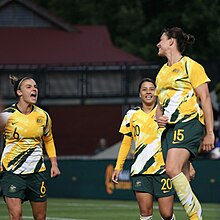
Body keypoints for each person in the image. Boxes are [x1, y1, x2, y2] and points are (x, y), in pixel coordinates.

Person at [155, 27, 214, 220]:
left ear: (171, 42)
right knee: (184, 177)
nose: (158, 44)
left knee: (172, 169)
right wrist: (158, 117)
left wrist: (209, 132)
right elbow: (159, 104)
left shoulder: (191, 66)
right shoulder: (162, 72)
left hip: (188, 122)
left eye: (161, 40)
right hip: (169, 129)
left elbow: (205, 98)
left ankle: (196, 215)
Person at [112, 78, 176, 220]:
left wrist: (187, 163)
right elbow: (126, 143)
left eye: (152, 89)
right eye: (144, 89)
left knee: (167, 214)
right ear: (139, 94)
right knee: (145, 213)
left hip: (164, 169)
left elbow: (176, 141)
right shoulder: (131, 115)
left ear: (157, 92)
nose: (148, 92)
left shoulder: (167, 113)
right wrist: (118, 167)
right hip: (141, 171)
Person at [0, 75, 61, 220]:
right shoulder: (7, 115)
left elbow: (48, 139)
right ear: (19, 92)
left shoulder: (43, 116)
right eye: (29, 87)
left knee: (40, 217)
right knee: (16, 215)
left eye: (35, 87)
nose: (34, 89)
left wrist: (54, 163)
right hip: (12, 172)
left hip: (37, 172)